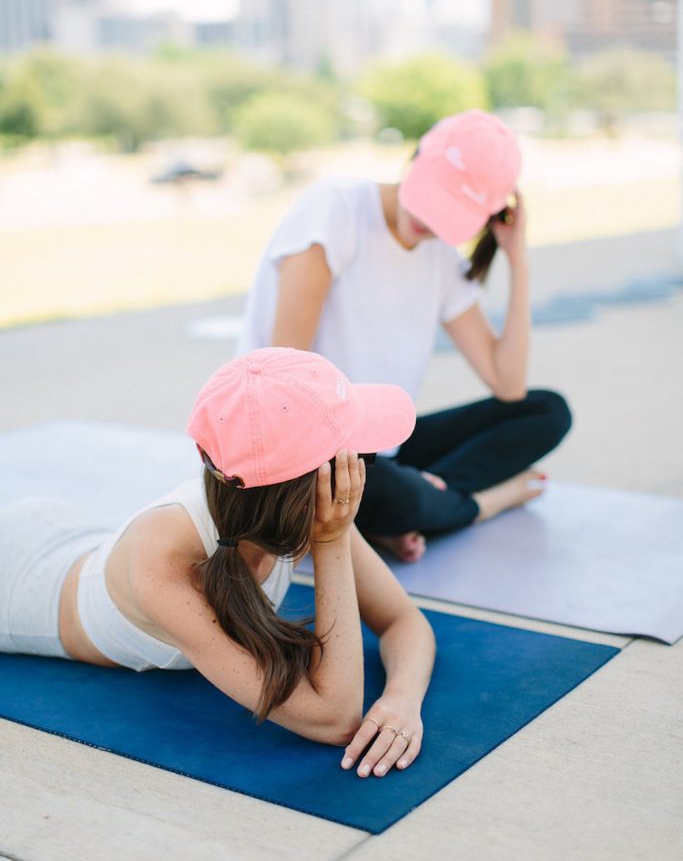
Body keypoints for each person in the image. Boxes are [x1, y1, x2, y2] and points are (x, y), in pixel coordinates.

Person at [0, 347, 435, 778]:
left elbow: (403, 621)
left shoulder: (293, 512)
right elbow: (335, 718)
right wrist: (334, 540)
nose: (361, 470)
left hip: (69, 532)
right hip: (18, 581)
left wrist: (401, 699)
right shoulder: (163, 564)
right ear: (314, 480)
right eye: (360, 457)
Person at [239, 110, 572, 562]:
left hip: (380, 454)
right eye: (432, 197)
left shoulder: (440, 259)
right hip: (302, 452)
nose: (428, 221)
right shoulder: (335, 210)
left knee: (546, 411)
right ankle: (476, 504)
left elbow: (507, 384)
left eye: (452, 213)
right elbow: (286, 381)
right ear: (415, 157)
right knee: (395, 493)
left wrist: (518, 260)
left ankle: (412, 507)